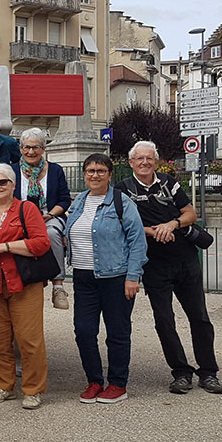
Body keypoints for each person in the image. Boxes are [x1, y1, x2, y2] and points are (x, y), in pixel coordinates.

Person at [115, 140, 222, 395]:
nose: (144, 162)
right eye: (139, 158)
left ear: (156, 161)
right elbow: (120, 224)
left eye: (149, 158)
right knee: (164, 320)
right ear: (131, 162)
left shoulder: (169, 182)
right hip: (153, 264)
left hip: (185, 260)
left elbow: (190, 214)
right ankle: (181, 372)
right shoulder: (122, 189)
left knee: (199, 317)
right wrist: (152, 231)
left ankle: (209, 372)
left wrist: (172, 224)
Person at [63, 154, 147, 405]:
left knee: (117, 332)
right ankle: (94, 380)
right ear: (84, 174)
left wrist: (133, 276)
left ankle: (118, 384)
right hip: (83, 277)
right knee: (84, 331)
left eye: (101, 171)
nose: (95, 175)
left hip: (116, 277)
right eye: (90, 170)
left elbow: (137, 241)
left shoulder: (122, 202)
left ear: (110, 175)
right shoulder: (79, 201)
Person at [0, 163, 51, 410]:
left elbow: (41, 243)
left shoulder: (27, 209)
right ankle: (4, 385)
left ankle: (33, 389)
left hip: (23, 283)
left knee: (29, 339)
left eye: (2, 182)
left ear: (13, 184)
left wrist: (5, 247)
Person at [10, 128, 72, 310]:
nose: (31, 152)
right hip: (19, 216)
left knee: (51, 234)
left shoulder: (55, 170)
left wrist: (50, 214)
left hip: (49, 215)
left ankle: (58, 286)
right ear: (21, 148)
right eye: (27, 147)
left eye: (36, 147)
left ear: (44, 149)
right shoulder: (12, 170)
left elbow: (64, 200)